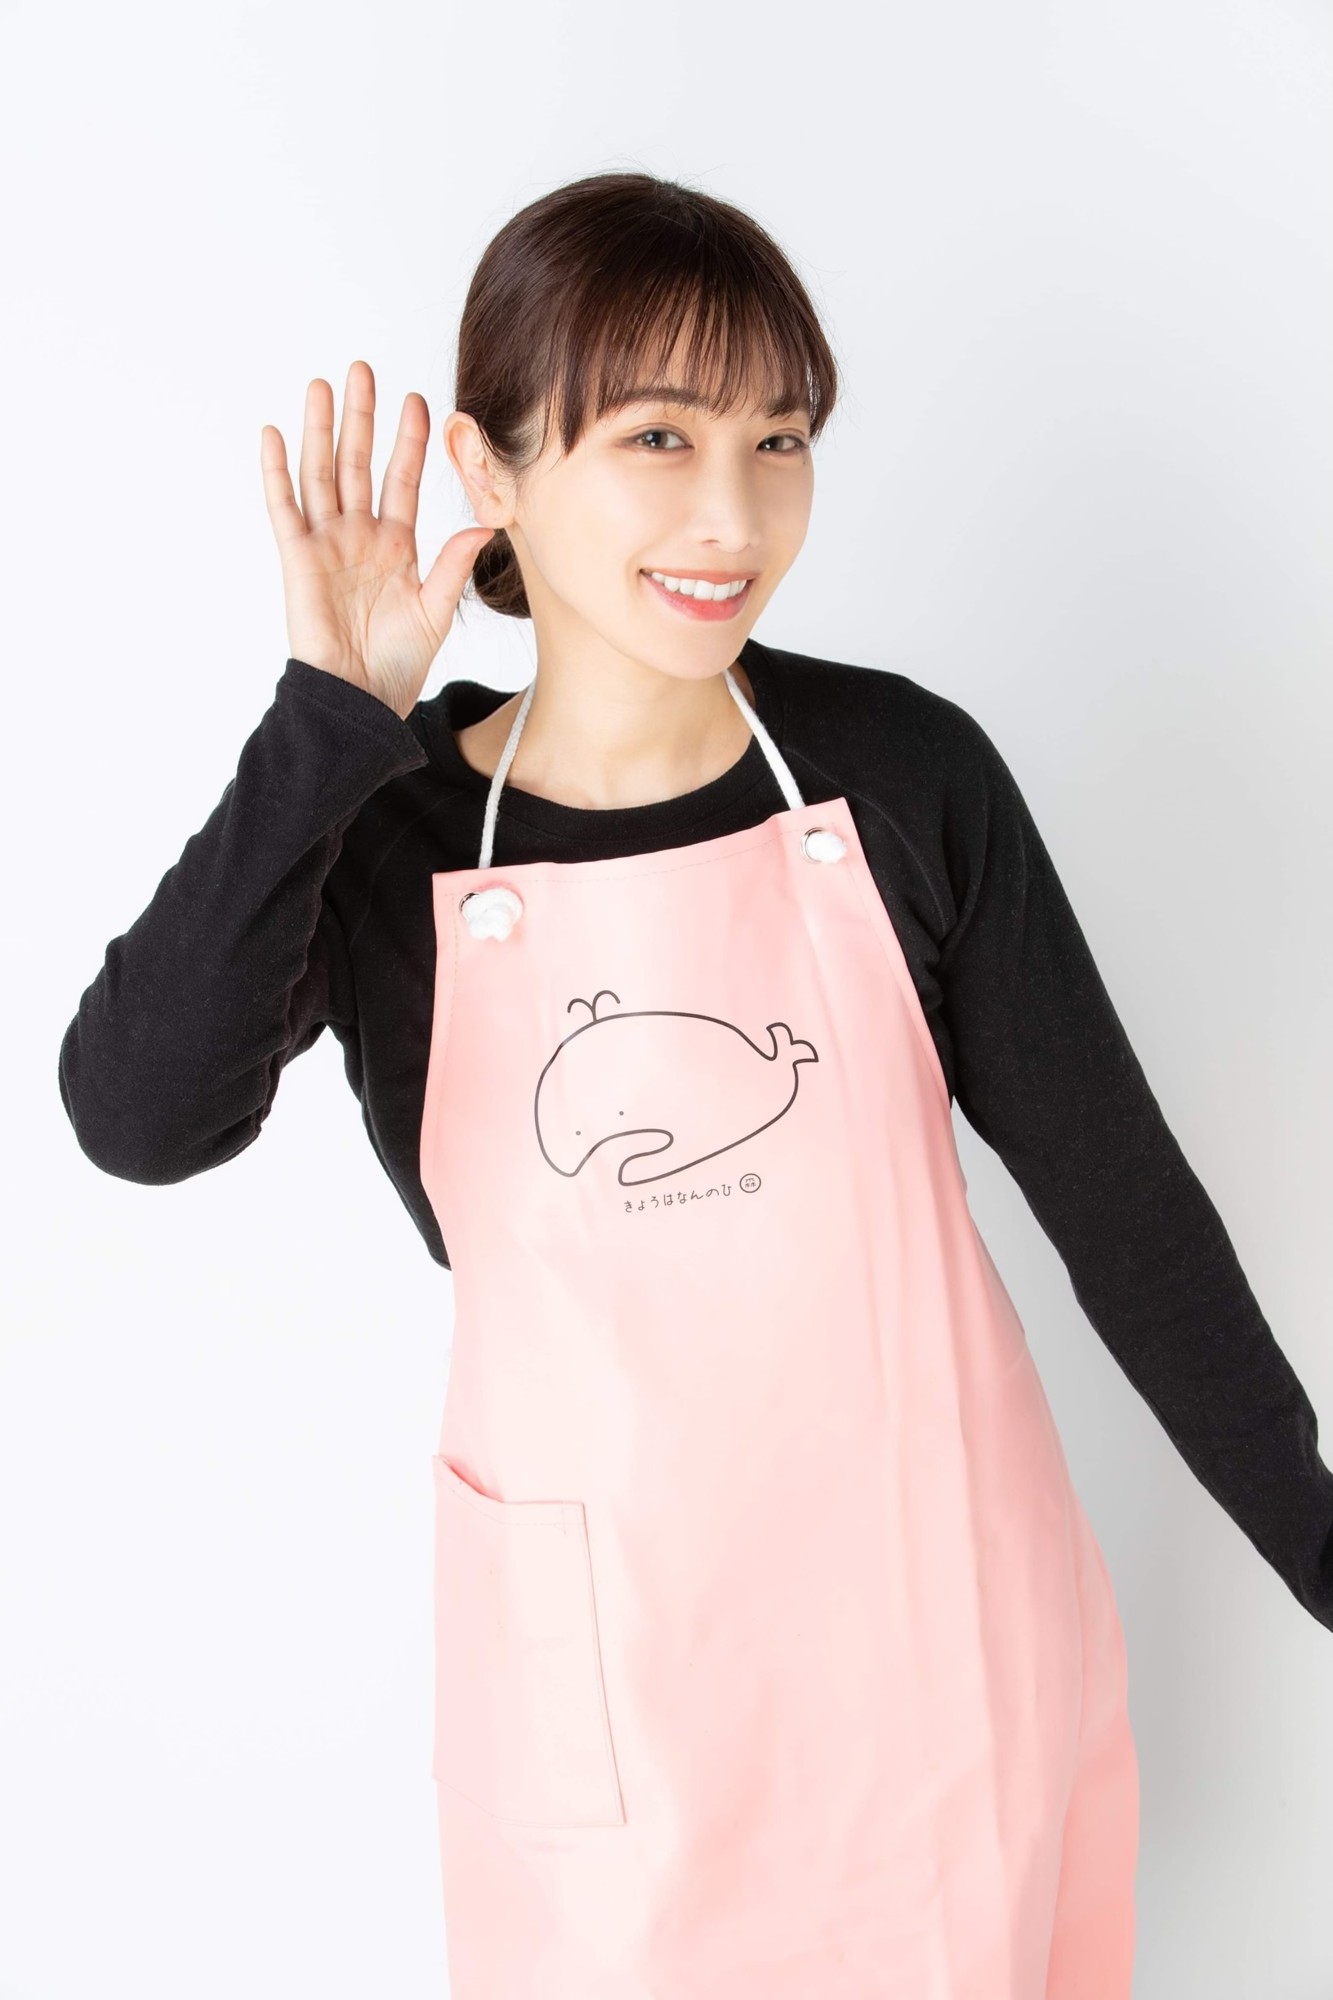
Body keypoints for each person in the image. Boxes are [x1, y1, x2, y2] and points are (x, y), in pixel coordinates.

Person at [57, 170, 1333, 1998]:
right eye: (657, 436)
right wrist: (326, 723)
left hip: (933, 1652)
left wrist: (1319, 1545)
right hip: (604, 1700)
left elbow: (1124, 1212)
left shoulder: (902, 774)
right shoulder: (382, 830)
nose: (732, 516)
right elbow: (139, 1117)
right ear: (492, 473)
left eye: (777, 440)